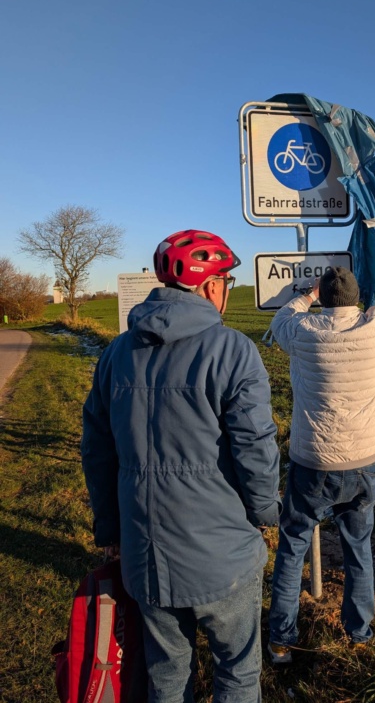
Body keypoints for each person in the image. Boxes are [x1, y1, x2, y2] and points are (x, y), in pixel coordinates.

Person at [81, 229, 281, 703]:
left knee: (166, 676)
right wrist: (265, 513)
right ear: (212, 286)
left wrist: (110, 529)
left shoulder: (115, 353)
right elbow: (255, 446)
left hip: (145, 554)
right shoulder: (233, 350)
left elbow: (97, 447)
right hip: (223, 555)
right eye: (227, 281)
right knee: (237, 672)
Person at [267, 239, 375, 663]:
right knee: (359, 548)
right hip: (364, 464)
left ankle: (281, 638)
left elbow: (285, 315)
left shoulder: (301, 334)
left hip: (311, 464)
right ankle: (358, 633)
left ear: (325, 300)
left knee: (291, 548)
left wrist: (307, 295)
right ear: (357, 299)